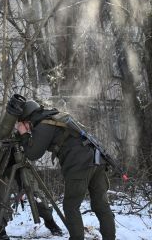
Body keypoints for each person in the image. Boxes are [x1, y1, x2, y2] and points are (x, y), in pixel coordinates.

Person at [15, 100, 116, 240]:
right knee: (101, 205)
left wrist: (24, 134)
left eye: (24, 123)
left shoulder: (43, 125)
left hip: (79, 164)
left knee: (70, 207)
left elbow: (33, 154)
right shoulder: (54, 116)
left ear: (27, 119)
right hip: (97, 159)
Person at [0, 119, 63, 240]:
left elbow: (13, 140)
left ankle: (49, 220)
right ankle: (0, 230)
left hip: (15, 161)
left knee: (33, 192)